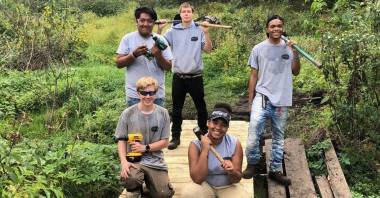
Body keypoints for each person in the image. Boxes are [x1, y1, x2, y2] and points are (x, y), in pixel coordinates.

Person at [242, 15, 301, 186]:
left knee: (278, 136)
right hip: (262, 97)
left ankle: (275, 170)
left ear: (282, 28)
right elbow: (253, 76)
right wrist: (249, 101)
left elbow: (296, 71)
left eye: (279, 26)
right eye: (273, 26)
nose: (276, 29)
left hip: (282, 99)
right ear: (267, 29)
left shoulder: (290, 47)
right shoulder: (258, 49)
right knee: (254, 131)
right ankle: (253, 164)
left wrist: (295, 53)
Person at [158, 2, 213, 150]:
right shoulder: (173, 30)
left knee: (201, 108)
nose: (186, 14)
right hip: (179, 77)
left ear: (192, 14)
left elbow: (208, 49)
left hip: (195, 77)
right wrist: (159, 29)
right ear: (180, 14)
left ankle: (204, 136)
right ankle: (175, 137)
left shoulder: (199, 29)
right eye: (184, 11)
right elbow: (159, 45)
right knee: (176, 109)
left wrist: (207, 32)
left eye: (189, 11)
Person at [114, 76, 174, 197]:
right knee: (130, 179)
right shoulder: (128, 113)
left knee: (164, 194)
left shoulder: (163, 113)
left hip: (155, 159)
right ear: (138, 93)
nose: (147, 96)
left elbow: (165, 142)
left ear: (156, 93)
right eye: (144, 93)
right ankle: (135, 189)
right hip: (134, 160)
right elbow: (121, 139)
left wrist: (145, 147)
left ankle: (149, 186)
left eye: (151, 93)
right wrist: (123, 162)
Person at [181, 103, 249, 198]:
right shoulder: (195, 145)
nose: (218, 128)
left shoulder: (235, 143)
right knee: (188, 193)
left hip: (228, 186)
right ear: (208, 123)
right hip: (205, 185)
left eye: (223, 125)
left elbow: (237, 179)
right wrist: (205, 150)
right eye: (215, 123)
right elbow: (197, 179)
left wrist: (232, 171)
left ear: (227, 128)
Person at [116, 7, 173, 107]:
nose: (145, 24)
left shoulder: (161, 40)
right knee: (135, 123)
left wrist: (158, 55)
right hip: (134, 95)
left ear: (154, 23)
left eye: (149, 21)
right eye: (142, 20)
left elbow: (168, 67)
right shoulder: (127, 38)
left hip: (156, 95)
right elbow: (119, 63)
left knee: (156, 123)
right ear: (136, 21)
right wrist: (134, 55)